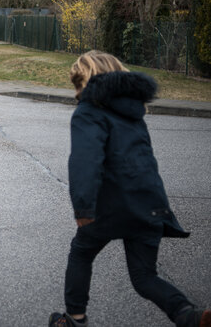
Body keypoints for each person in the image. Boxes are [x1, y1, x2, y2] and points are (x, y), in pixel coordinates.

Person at [49, 51, 210, 327]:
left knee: (81, 251)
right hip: (149, 204)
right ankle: (188, 315)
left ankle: (75, 318)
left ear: (85, 81)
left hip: (111, 206)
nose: (76, 91)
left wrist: (84, 208)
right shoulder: (134, 112)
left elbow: (85, 162)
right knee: (144, 276)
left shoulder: (89, 112)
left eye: (77, 83)